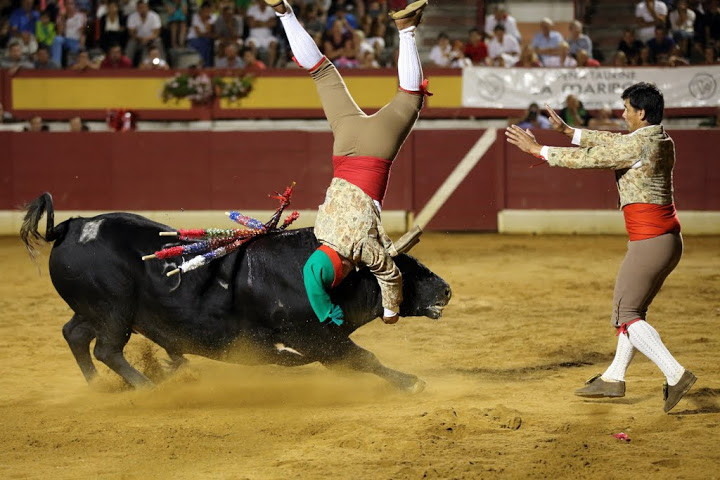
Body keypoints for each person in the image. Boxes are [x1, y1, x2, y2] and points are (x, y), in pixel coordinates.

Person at [505, 82, 697, 414]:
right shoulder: (660, 139)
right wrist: (569, 132)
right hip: (666, 239)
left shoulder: (637, 145)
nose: (622, 114)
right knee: (633, 312)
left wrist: (540, 150)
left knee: (626, 315)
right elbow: (613, 142)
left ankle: (675, 373)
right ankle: (613, 378)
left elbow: (593, 158)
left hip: (649, 241)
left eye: (626, 109)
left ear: (641, 113)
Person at [269, 0, 429, 327]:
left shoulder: (362, 249)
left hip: (374, 152)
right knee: (322, 72)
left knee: (411, 97)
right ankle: (284, 13)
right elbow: (314, 270)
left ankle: (406, 30)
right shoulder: (321, 229)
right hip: (344, 145)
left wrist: (390, 312)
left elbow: (389, 274)